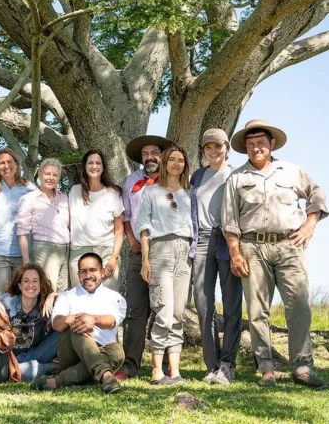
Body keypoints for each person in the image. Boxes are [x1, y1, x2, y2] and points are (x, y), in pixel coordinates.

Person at [222, 119, 328, 389]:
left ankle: (303, 368)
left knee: (300, 307)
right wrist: (235, 252)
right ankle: (266, 369)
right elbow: (229, 220)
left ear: (271, 144)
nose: (256, 147)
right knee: (258, 310)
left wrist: (309, 225)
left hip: (290, 246)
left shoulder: (292, 171)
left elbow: (316, 195)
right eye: (250, 144)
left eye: (260, 142)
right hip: (251, 248)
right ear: (245, 148)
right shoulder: (236, 178)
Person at [115, 135, 172, 380]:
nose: (150, 157)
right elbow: (126, 214)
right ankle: (129, 365)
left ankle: (167, 365)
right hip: (139, 253)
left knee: (166, 308)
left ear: (162, 155)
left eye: (154, 153)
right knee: (135, 310)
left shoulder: (175, 179)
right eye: (146, 154)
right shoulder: (132, 181)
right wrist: (131, 239)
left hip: (167, 252)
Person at [31, 253, 126, 394]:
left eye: (93, 270)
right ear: (78, 274)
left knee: (117, 351)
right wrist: (70, 319)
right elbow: (56, 323)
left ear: (102, 271)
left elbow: (112, 321)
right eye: (83, 271)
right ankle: (106, 375)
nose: (88, 275)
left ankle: (55, 382)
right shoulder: (67, 296)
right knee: (77, 326)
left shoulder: (115, 297)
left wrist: (94, 320)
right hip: (72, 353)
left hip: (103, 350)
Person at [139, 145, 194, 385]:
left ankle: (175, 371)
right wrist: (145, 260)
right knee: (163, 309)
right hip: (160, 250)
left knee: (178, 312)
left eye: (180, 160)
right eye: (171, 159)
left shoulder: (189, 192)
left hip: (185, 252)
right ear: (164, 163)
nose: (176, 163)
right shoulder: (151, 192)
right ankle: (156, 371)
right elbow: (143, 228)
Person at [191, 129, 243, 385]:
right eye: (208, 147)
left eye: (218, 146)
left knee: (232, 304)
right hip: (201, 240)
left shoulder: (236, 174)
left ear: (226, 148)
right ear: (203, 150)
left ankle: (228, 365)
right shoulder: (197, 176)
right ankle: (211, 365)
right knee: (203, 304)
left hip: (228, 240)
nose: (213, 151)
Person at [0, 148, 34, 295]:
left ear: (17, 164)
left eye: (9, 161)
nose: (6, 166)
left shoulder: (29, 188)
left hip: (22, 254)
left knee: (20, 299)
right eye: (1, 163)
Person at [68, 150, 124, 291]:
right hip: (78, 252)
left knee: (107, 299)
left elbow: (119, 229)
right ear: (85, 166)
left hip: (106, 251)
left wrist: (114, 259)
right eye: (90, 163)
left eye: (98, 163)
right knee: (79, 300)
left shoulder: (112, 194)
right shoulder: (74, 191)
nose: (94, 166)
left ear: (103, 167)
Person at [0, 263, 60, 381]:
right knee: (16, 369)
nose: (30, 285)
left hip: (38, 354)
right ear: (20, 285)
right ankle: (50, 368)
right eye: (26, 281)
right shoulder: (8, 302)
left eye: (35, 281)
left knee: (63, 329)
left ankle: (21, 370)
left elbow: (72, 296)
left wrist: (54, 295)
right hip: (11, 356)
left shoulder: (46, 306)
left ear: (41, 285)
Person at [16, 158, 70, 292]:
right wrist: (26, 261)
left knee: (63, 292)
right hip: (44, 249)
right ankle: (44, 314)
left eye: (55, 175)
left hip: (66, 249)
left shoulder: (64, 198)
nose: (51, 178)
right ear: (39, 175)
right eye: (47, 174)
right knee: (47, 290)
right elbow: (22, 232)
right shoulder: (29, 199)